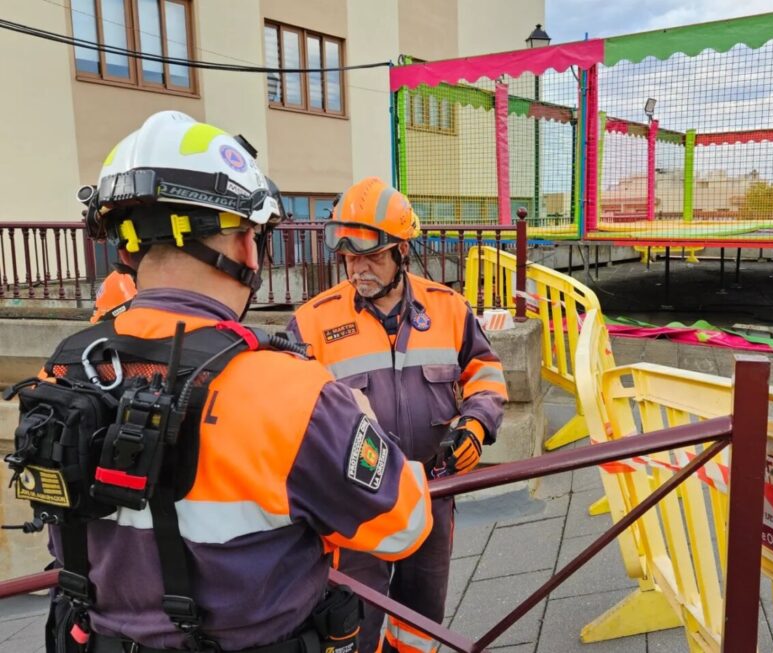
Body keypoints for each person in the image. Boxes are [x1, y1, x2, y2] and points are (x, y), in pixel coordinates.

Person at [8, 112, 432, 652]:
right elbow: (404, 524)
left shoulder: (66, 368)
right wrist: (362, 420)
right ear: (245, 247)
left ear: (127, 248)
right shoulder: (292, 393)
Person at [289, 177, 508, 653]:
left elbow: (486, 372)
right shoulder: (313, 322)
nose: (356, 267)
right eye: (348, 256)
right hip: (353, 506)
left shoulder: (449, 309)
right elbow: (291, 409)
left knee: (422, 618)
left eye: (370, 255)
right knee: (354, 619)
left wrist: (475, 424)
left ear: (401, 252)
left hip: (432, 494)